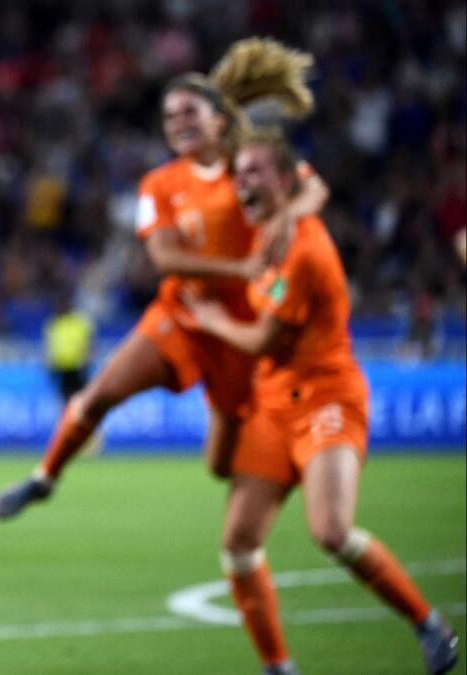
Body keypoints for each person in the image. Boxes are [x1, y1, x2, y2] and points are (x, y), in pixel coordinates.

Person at [0, 38, 330, 518]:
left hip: (242, 330)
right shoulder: (161, 184)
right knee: (96, 397)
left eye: (189, 112)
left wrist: (287, 217)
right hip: (182, 315)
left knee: (219, 464)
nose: (178, 124)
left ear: (219, 119)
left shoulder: (252, 165)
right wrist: (240, 268)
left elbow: (315, 188)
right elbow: (165, 258)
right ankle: (43, 477)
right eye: (170, 117)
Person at [182, 130, 459, 675]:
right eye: (239, 173)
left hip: (326, 396)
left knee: (330, 531)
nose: (242, 181)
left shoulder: (304, 250)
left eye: (255, 172)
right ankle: (278, 667)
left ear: (287, 180)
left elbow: (264, 340)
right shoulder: (262, 232)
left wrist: (212, 321)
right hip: (272, 401)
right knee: (238, 543)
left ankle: (429, 624)